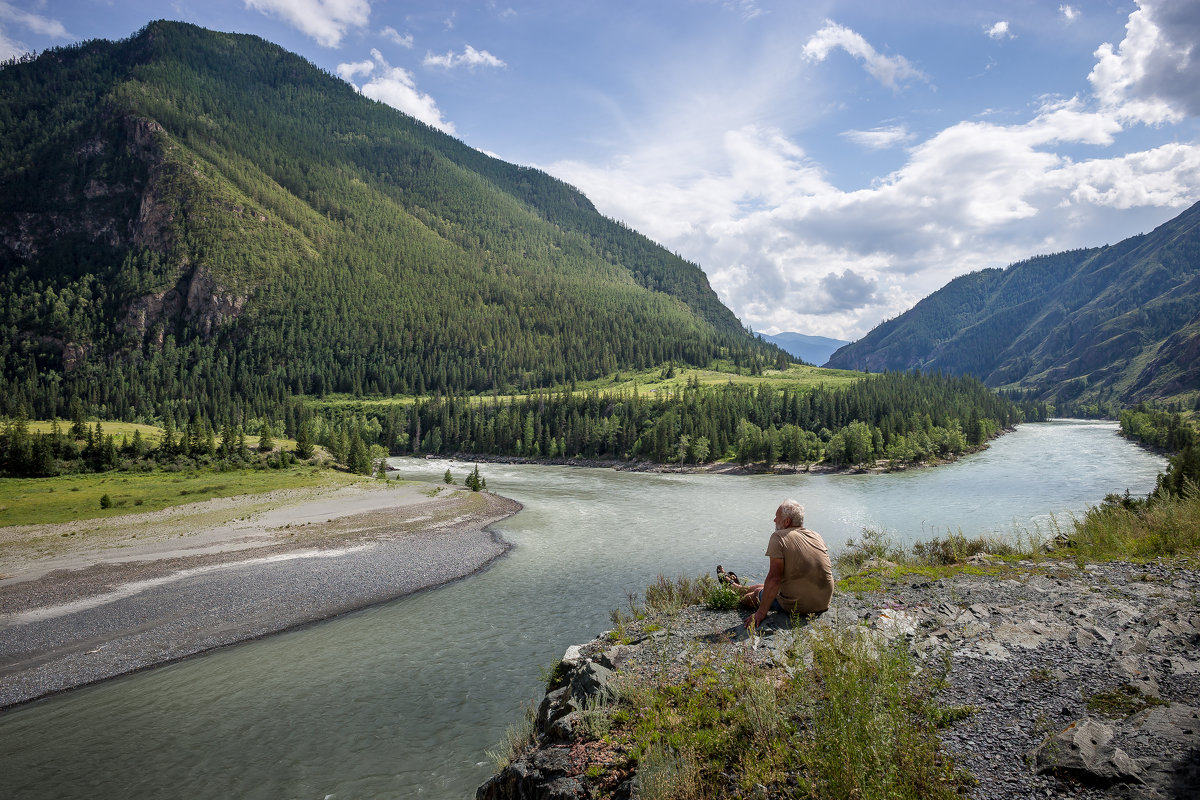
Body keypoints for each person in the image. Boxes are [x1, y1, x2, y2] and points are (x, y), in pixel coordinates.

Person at [733, 499, 834, 629]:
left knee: (755, 594)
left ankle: (736, 596)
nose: (774, 520)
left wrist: (761, 613)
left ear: (787, 522)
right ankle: (736, 588)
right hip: (823, 601)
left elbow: (775, 578)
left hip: (800, 605)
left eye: (777, 517)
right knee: (763, 586)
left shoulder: (779, 537)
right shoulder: (816, 535)